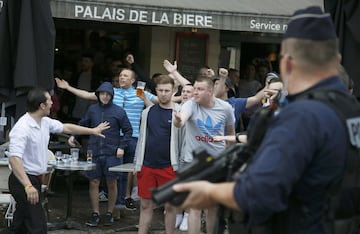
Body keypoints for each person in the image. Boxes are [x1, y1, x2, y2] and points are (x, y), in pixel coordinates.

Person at [172, 6, 360, 233]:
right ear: (337, 58)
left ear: (287, 64)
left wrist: (209, 192)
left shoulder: (303, 115)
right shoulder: (351, 108)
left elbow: (259, 192)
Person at [6, 87, 109, 233]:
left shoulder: (44, 121)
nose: (52, 104)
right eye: (49, 100)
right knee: (38, 226)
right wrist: (28, 186)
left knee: (21, 224)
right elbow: (14, 159)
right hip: (22, 181)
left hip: (34, 179)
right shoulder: (22, 127)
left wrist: (92, 131)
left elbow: (66, 127)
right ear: (42, 105)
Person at [56, 68, 157, 212]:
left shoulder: (141, 93)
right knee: (113, 172)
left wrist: (183, 93)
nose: (122, 78)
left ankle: (123, 201)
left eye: (125, 76)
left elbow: (160, 103)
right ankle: (115, 206)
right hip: (113, 137)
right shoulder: (111, 93)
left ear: (133, 80)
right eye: (121, 75)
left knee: (128, 171)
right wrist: (68, 87)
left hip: (133, 137)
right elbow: (87, 95)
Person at [173, 76, 235, 234]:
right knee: (195, 207)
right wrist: (178, 120)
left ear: (210, 91)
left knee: (212, 208)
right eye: (194, 88)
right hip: (194, 163)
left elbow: (230, 135)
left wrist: (227, 160)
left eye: (199, 89)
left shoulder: (225, 108)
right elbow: (182, 119)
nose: (195, 92)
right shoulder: (191, 104)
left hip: (216, 163)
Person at [69, 82, 133, 227]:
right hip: (94, 151)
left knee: (112, 182)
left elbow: (128, 130)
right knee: (94, 182)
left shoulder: (119, 111)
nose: (104, 96)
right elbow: (83, 124)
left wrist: (122, 147)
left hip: (112, 152)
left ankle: (110, 213)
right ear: (98, 95)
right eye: (102, 94)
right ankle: (95, 213)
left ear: (111, 95)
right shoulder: (92, 109)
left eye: (107, 94)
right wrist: (74, 135)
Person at [134, 75, 180, 234]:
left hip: (170, 166)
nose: (163, 94)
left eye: (167, 90)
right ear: (156, 91)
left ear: (173, 90)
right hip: (147, 165)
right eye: (160, 90)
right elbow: (141, 139)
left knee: (170, 206)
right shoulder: (147, 112)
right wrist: (137, 163)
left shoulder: (179, 112)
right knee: (145, 205)